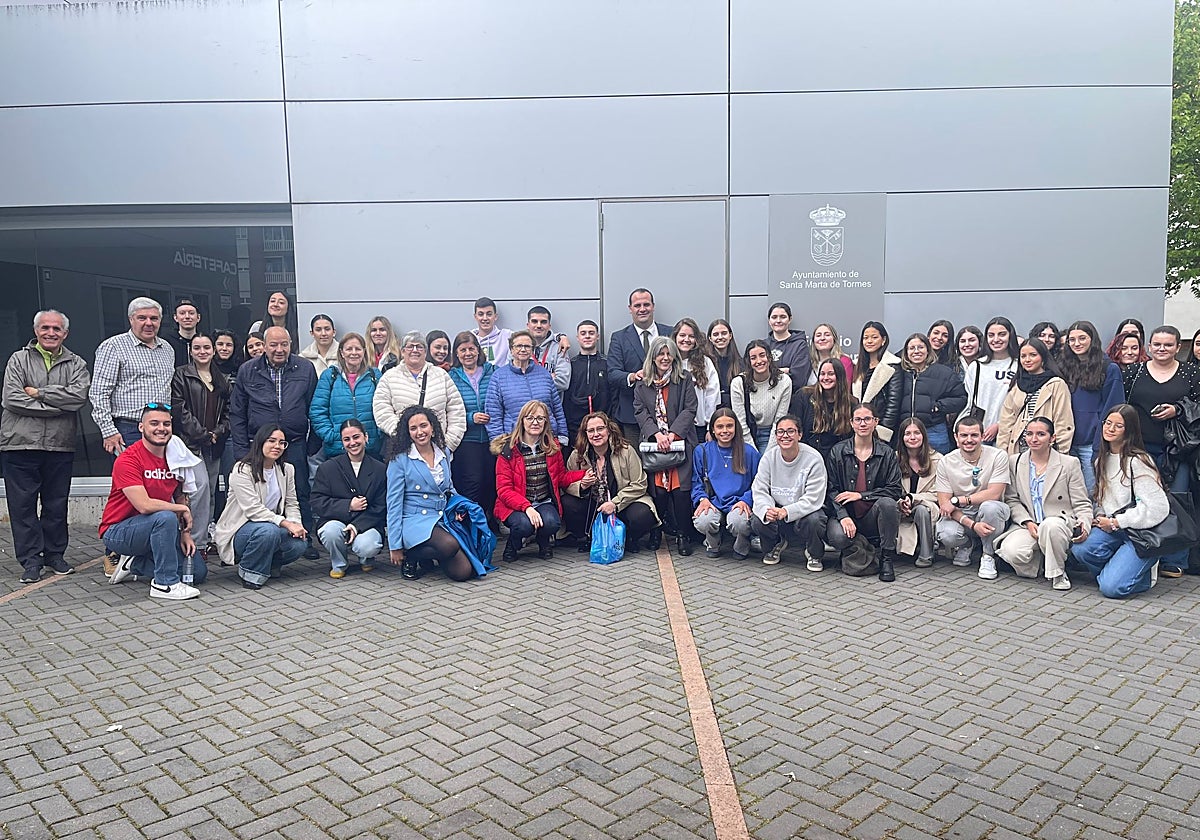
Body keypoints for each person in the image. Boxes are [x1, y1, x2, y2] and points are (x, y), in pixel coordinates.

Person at [2, 309, 91, 582]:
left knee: (56, 503)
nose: (50, 333)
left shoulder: (77, 364)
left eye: (56, 329)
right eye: (45, 328)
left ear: (65, 333)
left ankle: (54, 555)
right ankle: (31, 560)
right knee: (22, 506)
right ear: (36, 331)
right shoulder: (19, 359)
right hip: (19, 444)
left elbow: (77, 398)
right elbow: (11, 399)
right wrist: (54, 407)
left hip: (59, 445)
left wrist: (39, 392)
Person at [1073, 404, 1189, 597]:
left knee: (1111, 589)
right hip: (1115, 529)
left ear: (1129, 430)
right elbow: (1104, 499)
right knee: (1081, 550)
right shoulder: (1101, 459)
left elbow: (1158, 508)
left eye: (1118, 426)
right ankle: (1123, 571)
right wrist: (1101, 516)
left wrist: (1117, 522)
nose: (1110, 429)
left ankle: (1139, 575)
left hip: (1142, 533)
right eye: (1108, 423)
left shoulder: (1138, 461)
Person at [229, 326, 319, 556]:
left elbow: (314, 408)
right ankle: (258, 538)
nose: (279, 349)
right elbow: (238, 413)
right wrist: (241, 451)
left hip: (295, 442)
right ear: (264, 345)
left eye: (284, 344)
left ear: (291, 344)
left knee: (299, 490)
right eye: (273, 345)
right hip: (259, 444)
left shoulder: (305, 368)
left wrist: (312, 444)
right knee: (260, 491)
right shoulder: (247, 370)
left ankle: (304, 537)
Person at [99, 403, 204, 601]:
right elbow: (144, 505)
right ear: (141, 427)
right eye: (154, 423)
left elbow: (181, 495)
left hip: (158, 528)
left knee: (197, 573)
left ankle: (134, 564)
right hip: (119, 531)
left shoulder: (175, 456)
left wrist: (185, 534)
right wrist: (180, 508)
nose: (161, 429)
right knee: (164, 517)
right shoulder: (128, 459)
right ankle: (164, 584)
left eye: (166, 424)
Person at [386, 406, 492, 582]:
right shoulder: (399, 460)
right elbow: (394, 504)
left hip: (440, 517)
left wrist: (459, 507)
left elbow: (449, 487)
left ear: (433, 427)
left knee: (464, 573)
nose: (420, 432)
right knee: (449, 545)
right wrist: (395, 545)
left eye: (423, 426)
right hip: (413, 520)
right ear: (407, 433)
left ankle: (431, 555)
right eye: (413, 428)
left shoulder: (444, 451)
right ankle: (411, 555)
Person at [994, 417, 1091, 591]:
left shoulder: (1069, 464)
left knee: (1050, 525)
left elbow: (1082, 502)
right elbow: (1012, 500)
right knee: (1011, 551)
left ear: (1052, 438)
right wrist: (1027, 522)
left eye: (1041, 434)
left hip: (1059, 521)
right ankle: (1044, 562)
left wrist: (1084, 526)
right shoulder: (1014, 462)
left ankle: (1058, 573)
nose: (1034, 439)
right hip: (1029, 524)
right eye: (1029, 434)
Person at [214, 423, 308, 589]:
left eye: (282, 443)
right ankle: (250, 573)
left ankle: (269, 565)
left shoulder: (288, 469)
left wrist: (296, 524)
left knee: (299, 544)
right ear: (260, 442)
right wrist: (286, 523)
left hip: (270, 527)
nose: (277, 446)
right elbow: (253, 509)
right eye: (272, 441)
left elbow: (291, 503)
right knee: (268, 531)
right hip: (240, 530)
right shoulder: (242, 469)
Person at [492, 400, 584, 560]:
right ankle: (513, 544)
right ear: (522, 421)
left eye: (540, 418)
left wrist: (585, 474)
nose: (535, 422)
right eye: (530, 418)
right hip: (515, 505)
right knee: (523, 525)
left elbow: (561, 477)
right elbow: (503, 490)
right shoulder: (508, 451)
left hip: (543, 501)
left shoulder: (552, 447)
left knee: (552, 523)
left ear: (546, 422)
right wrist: (527, 507)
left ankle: (544, 541)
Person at [824, 404, 904, 581]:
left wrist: (862, 495)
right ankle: (855, 550)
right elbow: (831, 489)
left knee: (888, 504)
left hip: (872, 516)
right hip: (845, 515)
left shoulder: (887, 453)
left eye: (867, 419)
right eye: (858, 419)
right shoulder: (838, 451)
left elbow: (895, 489)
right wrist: (843, 515)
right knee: (838, 536)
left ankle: (886, 558)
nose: (863, 424)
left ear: (876, 422)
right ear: (851, 423)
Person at [635, 336, 699, 555]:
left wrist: (673, 434)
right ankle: (656, 531)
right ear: (652, 357)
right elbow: (640, 411)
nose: (664, 358)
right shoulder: (643, 384)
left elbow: (690, 408)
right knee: (659, 493)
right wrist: (655, 434)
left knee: (681, 492)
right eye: (660, 353)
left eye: (668, 353)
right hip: (655, 447)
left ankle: (683, 534)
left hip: (680, 443)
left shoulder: (684, 379)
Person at [1123, 325, 1200, 504]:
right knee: (1142, 501)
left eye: (1168, 345)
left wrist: (1177, 410)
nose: (1162, 349)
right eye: (1157, 344)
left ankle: (1177, 533)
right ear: (1149, 346)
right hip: (1139, 448)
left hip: (1177, 450)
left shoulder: (1192, 373)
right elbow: (1121, 407)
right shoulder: (1133, 372)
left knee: (1176, 501)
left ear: (1178, 347)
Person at [562, 411, 660, 551]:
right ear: (585, 434)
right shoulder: (577, 455)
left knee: (641, 514)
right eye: (591, 430)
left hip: (623, 504)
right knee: (567, 503)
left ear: (609, 430)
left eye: (600, 428)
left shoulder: (626, 451)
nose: (596, 434)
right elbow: (566, 483)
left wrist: (615, 503)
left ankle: (629, 538)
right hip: (593, 506)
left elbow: (640, 484)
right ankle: (589, 537)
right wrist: (581, 485)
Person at [89, 296, 176, 454]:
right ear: (131, 319)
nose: (149, 323)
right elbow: (99, 392)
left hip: (161, 430)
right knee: (132, 478)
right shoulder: (113, 346)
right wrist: (108, 431)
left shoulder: (167, 349)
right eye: (142, 318)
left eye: (154, 318)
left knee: (158, 478)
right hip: (128, 430)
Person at [170, 332, 230, 555]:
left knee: (211, 492)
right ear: (191, 351)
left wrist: (217, 433)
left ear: (213, 351)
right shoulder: (181, 375)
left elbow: (228, 412)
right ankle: (195, 542)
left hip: (214, 444)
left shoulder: (221, 379)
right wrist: (203, 434)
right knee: (200, 489)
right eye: (197, 348)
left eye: (206, 348)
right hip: (190, 444)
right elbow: (180, 410)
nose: (202, 352)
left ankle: (203, 539)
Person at [935, 416, 1011, 579]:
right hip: (962, 515)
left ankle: (988, 555)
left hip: (991, 510)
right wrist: (973, 525)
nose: (969, 440)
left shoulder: (998, 456)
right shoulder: (946, 462)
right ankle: (967, 544)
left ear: (982, 436)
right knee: (946, 534)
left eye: (974, 435)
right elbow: (944, 504)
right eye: (964, 435)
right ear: (956, 437)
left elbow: (994, 493)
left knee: (990, 506)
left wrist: (960, 500)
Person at [311, 419, 387, 579]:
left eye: (356, 437)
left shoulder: (380, 469)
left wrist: (355, 526)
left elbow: (381, 507)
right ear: (342, 442)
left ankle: (366, 558)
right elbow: (317, 501)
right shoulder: (328, 467)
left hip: (368, 523)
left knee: (367, 546)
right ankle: (338, 563)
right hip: (336, 520)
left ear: (366, 437)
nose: (352, 443)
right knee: (330, 532)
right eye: (347, 439)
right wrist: (348, 505)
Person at [751, 414, 828, 568]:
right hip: (776, 509)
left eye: (790, 431)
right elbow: (760, 490)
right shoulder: (768, 458)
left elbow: (814, 498)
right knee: (758, 518)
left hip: (804, 512)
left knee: (815, 520)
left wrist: (787, 511)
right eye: (780, 432)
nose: (785, 436)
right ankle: (774, 546)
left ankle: (814, 553)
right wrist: (767, 509)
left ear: (800, 435)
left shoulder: (813, 458)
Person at [374, 330, 467, 449]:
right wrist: (404, 435)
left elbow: (456, 410)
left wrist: (448, 444)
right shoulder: (389, 377)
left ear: (425, 352)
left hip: (438, 449)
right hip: (403, 449)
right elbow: (382, 412)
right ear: (402, 351)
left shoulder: (441, 375)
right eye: (410, 346)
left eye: (419, 347)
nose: (415, 350)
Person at [1060, 321, 1124, 493]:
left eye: (1082, 338)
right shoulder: (1063, 367)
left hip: (1092, 443)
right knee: (1068, 493)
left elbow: (1114, 407)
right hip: (1066, 442)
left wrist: (1100, 442)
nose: (1077, 343)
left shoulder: (1109, 368)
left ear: (1092, 339)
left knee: (1092, 492)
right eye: (1072, 340)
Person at [691, 408, 760, 559]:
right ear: (713, 430)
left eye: (729, 426)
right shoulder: (701, 451)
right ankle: (713, 543)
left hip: (739, 502)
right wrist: (702, 499)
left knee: (739, 522)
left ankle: (742, 545)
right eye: (720, 427)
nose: (725, 431)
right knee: (704, 520)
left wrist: (746, 500)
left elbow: (759, 483)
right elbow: (696, 482)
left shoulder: (749, 452)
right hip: (713, 501)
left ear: (736, 427)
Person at [607, 288, 672, 443]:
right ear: (630, 309)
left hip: (668, 413)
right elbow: (612, 373)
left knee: (667, 463)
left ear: (653, 306)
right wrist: (632, 376)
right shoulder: (619, 338)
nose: (642, 309)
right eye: (637, 305)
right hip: (632, 416)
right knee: (636, 464)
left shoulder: (670, 332)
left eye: (646, 304)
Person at [448, 331, 497, 523]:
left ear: (478, 350)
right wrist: (470, 417)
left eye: (471, 349)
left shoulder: (492, 370)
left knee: (492, 480)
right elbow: (448, 408)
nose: (468, 353)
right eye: (463, 350)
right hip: (467, 438)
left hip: (493, 436)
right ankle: (471, 519)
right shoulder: (451, 376)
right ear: (457, 354)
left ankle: (491, 519)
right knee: (473, 481)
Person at [485, 330, 568, 443]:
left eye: (527, 346)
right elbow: (494, 414)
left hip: (547, 439)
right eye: (519, 346)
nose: (523, 349)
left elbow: (557, 408)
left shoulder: (544, 374)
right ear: (511, 349)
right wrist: (499, 442)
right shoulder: (498, 377)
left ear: (532, 350)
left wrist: (562, 435)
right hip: (514, 441)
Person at [995, 338, 1074, 455]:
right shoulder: (1017, 384)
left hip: (1046, 449)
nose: (1027, 360)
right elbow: (1006, 422)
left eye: (1032, 355)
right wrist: (1002, 452)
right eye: (1023, 356)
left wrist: (1061, 453)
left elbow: (1063, 421)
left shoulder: (1056, 384)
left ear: (1042, 357)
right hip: (1018, 448)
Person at [310, 332, 382, 459]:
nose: (354, 352)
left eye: (358, 349)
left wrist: (378, 434)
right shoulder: (330, 376)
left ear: (364, 351)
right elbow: (317, 411)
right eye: (349, 349)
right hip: (338, 449)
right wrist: (331, 436)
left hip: (371, 448)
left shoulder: (374, 375)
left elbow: (384, 407)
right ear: (342, 353)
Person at [898, 333, 967, 455]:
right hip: (906, 431)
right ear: (906, 352)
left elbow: (961, 398)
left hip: (934, 430)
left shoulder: (944, 373)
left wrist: (938, 406)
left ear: (928, 350)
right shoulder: (899, 373)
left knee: (939, 468)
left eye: (920, 347)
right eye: (911, 348)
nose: (916, 351)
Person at [960, 317, 1018, 445]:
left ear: (1010, 336)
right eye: (991, 335)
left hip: (1009, 434)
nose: (996, 339)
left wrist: (999, 425)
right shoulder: (977, 366)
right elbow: (969, 402)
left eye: (1002, 334)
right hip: (980, 434)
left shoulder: (1019, 366)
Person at [896, 418, 942, 568]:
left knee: (922, 510)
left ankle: (926, 555)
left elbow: (938, 493)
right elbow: (890, 488)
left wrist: (912, 498)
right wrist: (901, 501)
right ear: (902, 437)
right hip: (900, 505)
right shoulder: (893, 458)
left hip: (927, 505)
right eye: (907, 433)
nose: (912, 437)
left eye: (917, 433)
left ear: (924, 435)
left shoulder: (938, 460)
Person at [732, 339, 792, 451]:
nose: (759, 361)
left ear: (769, 357)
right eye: (753, 358)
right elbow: (741, 422)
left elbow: (779, 420)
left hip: (771, 433)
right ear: (748, 362)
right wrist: (753, 451)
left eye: (762, 355)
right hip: (745, 433)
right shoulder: (738, 383)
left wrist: (767, 455)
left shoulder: (784, 381)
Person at [794, 359, 857, 464]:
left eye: (831, 374)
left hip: (838, 460)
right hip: (807, 457)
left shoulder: (852, 403)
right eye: (822, 374)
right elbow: (796, 429)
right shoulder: (803, 396)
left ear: (840, 376)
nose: (826, 378)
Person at [850, 321, 902, 443]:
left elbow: (893, 404)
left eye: (874, 337)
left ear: (883, 340)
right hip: (859, 428)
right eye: (865, 338)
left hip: (880, 432)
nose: (869, 341)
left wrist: (883, 430)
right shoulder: (857, 365)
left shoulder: (893, 366)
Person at [672, 318, 720, 441]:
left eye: (691, 336)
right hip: (673, 428)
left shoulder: (705, 362)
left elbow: (712, 396)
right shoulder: (668, 362)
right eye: (682, 335)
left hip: (699, 427)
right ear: (675, 337)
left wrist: (710, 427)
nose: (686, 340)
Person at [563, 319, 610, 442]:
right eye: (583, 333)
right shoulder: (570, 365)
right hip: (575, 427)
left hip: (603, 426)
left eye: (591, 333)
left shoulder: (607, 363)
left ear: (597, 336)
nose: (587, 336)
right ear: (577, 337)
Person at [765, 302, 812, 389]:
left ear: (790, 319)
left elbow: (799, 379)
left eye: (783, 317)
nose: (778, 321)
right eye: (774, 317)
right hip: (765, 399)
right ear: (769, 321)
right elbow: (755, 376)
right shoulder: (763, 346)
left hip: (792, 399)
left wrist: (770, 372)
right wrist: (786, 371)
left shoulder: (800, 345)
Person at [526, 306, 571, 391]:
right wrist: (549, 377)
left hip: (550, 403)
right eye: (534, 321)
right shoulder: (518, 347)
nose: (539, 325)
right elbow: (513, 380)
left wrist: (528, 379)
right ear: (528, 325)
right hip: (523, 403)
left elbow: (563, 383)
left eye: (543, 322)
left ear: (549, 326)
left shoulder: (559, 347)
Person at [707, 318, 743, 409]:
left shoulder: (741, 363)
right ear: (710, 338)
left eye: (724, 333)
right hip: (712, 411)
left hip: (735, 411)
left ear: (730, 335)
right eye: (715, 334)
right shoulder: (706, 364)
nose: (720, 337)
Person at [472, 297, 513, 368]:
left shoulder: (507, 336)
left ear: (495, 316)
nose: (485, 318)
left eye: (489, 314)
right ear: (475, 317)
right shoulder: (470, 339)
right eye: (481, 314)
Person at [165, 298, 201, 367]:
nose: (187, 317)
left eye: (191, 313)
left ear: (198, 317)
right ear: (175, 317)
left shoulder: (204, 341)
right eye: (182, 313)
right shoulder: (167, 342)